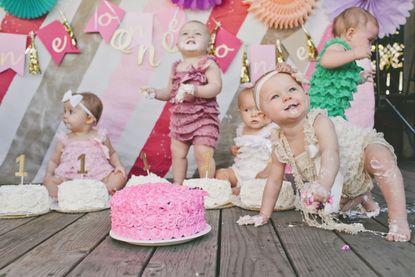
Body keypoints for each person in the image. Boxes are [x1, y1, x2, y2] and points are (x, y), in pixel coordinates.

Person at [242, 66, 411, 242]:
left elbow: (330, 153)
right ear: (265, 115)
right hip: (341, 177)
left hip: (360, 150)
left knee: (381, 160)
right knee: (332, 209)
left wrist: (323, 184)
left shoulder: (319, 121)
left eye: (292, 89)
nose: (287, 97)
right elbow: (274, 181)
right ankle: (362, 196)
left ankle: (398, 219)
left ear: (305, 96)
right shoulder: (280, 145)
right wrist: (263, 214)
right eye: (275, 96)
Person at [140, 20, 222, 184]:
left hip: (203, 117)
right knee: (178, 154)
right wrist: (154, 92)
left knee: (202, 152)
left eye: (197, 33)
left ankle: (208, 185)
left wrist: (196, 90)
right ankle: (178, 185)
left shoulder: (208, 63)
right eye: (185, 33)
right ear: (177, 44)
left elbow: (216, 87)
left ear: (208, 43)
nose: (191, 35)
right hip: (180, 119)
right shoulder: (176, 67)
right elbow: (170, 92)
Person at [43, 91, 127, 198]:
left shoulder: (100, 136)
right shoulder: (65, 139)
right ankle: (66, 197)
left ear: (89, 119)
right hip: (69, 179)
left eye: (70, 112)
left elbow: (112, 154)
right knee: (49, 183)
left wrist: (118, 166)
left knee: (120, 176)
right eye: (65, 111)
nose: (65, 116)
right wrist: (48, 175)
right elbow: (54, 160)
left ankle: (101, 193)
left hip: (99, 178)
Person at [308, 7, 378, 121]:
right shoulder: (337, 46)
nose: (370, 46)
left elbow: (343, 76)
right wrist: (355, 53)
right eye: (369, 40)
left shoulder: (346, 56)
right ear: (350, 34)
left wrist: (359, 77)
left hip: (334, 108)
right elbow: (326, 61)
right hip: (322, 107)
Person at [215, 86, 274, 195]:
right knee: (221, 173)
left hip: (260, 172)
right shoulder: (241, 129)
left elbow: (278, 152)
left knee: (268, 181)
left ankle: (242, 191)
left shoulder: (270, 130)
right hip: (239, 171)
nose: (253, 114)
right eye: (247, 110)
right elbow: (242, 148)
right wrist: (235, 150)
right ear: (240, 112)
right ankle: (226, 191)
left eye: (258, 109)